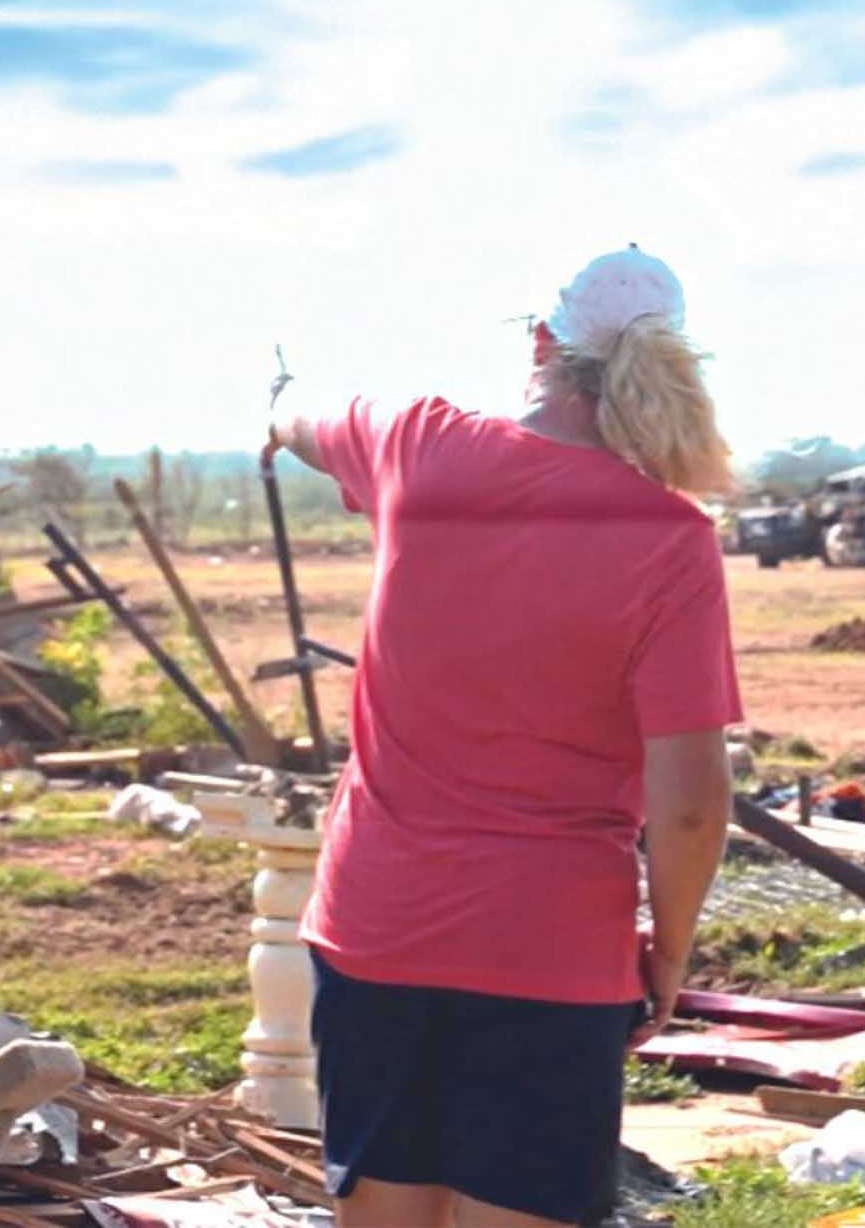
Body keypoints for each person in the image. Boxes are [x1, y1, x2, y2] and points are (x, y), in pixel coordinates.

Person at [270, 246, 742, 1228]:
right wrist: (669, 948)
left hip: (375, 927)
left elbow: (305, 419)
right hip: (553, 945)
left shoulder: (417, 443)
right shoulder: (671, 538)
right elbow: (690, 799)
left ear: (540, 341)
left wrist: (275, 408)